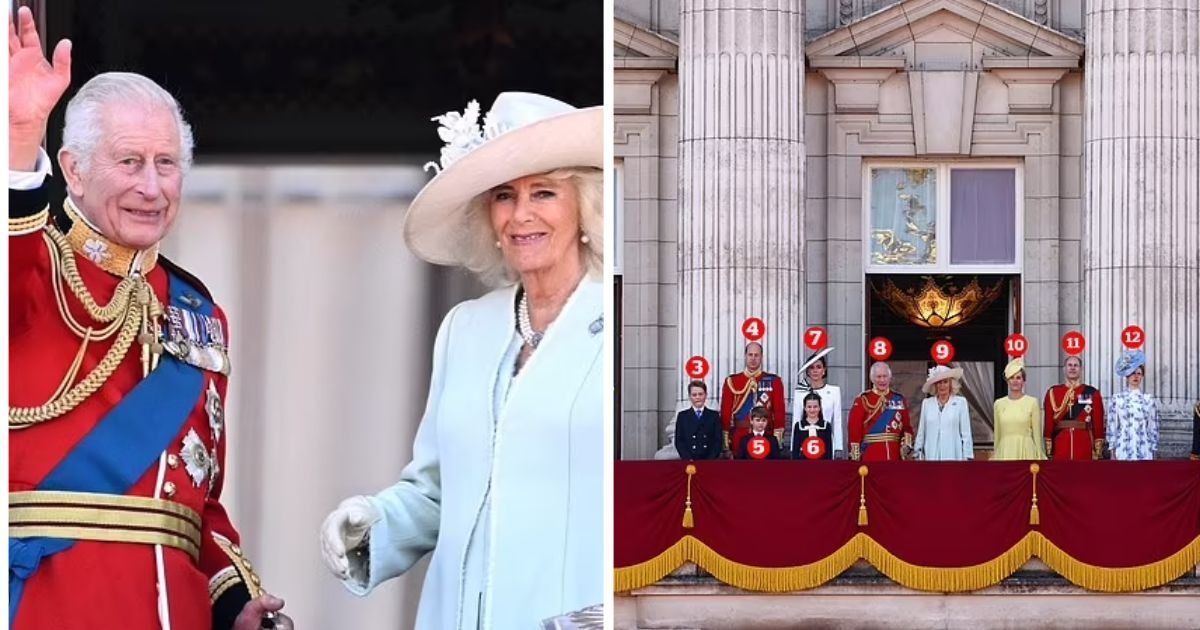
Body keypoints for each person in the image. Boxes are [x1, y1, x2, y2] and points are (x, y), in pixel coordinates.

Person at [7, 9, 290, 630]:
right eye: (129, 162)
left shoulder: (198, 311)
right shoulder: (32, 267)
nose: (152, 186)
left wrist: (236, 605)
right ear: (74, 170)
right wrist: (20, 138)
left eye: (167, 164)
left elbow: (194, 507)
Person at [319, 92, 603, 629]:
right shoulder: (466, 329)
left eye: (543, 193)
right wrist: (372, 523)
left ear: (583, 207)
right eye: (503, 196)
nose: (521, 215)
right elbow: (435, 492)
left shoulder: (617, 321)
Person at [720, 342, 786, 456]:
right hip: (739, 437)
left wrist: (777, 438)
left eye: (757, 355)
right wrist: (726, 440)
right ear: (745, 356)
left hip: (766, 435)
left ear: (761, 357)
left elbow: (779, 412)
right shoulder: (732, 381)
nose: (753, 358)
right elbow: (726, 412)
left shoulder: (774, 381)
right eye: (750, 355)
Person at [848, 362, 914, 461]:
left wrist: (906, 446)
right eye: (878, 377)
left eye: (885, 376)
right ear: (872, 379)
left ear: (889, 378)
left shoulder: (899, 399)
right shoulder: (863, 400)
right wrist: (856, 456)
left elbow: (907, 427)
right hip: (871, 454)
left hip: (894, 454)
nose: (882, 380)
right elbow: (854, 429)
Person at [1043, 355, 1106, 460]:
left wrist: (1098, 448)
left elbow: (1098, 421)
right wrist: (1049, 448)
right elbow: (1049, 421)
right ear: (1064, 369)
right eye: (1070, 365)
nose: (1072, 368)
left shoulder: (1092, 392)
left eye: (1076, 365)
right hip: (1061, 442)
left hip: (1084, 443)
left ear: (1081, 369)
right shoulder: (1053, 392)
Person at [1107, 350, 1160, 461]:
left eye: (1139, 373)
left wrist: (1154, 450)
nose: (1135, 376)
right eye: (1132, 373)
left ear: (1142, 376)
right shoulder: (1117, 399)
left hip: (1144, 449)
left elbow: (1153, 427)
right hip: (1122, 448)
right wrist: (1112, 451)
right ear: (1127, 375)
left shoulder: (1148, 399)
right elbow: (1112, 426)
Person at [914, 365, 974, 461]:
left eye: (945, 382)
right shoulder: (927, 404)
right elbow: (921, 432)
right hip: (931, 456)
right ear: (935, 385)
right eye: (939, 383)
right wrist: (917, 453)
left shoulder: (960, 403)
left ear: (951, 384)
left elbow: (966, 433)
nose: (942, 386)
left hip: (953, 455)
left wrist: (967, 457)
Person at [792, 347, 844, 458]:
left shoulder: (834, 391)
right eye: (812, 367)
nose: (815, 370)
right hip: (804, 444)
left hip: (826, 442)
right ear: (807, 371)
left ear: (824, 370)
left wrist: (838, 448)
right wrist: (793, 449)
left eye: (819, 367)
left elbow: (837, 421)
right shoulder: (800, 392)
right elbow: (796, 420)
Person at [991, 358, 1045, 460]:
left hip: (1026, 452)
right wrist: (996, 456)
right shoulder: (998, 404)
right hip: (1005, 451)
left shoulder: (1032, 402)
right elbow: (997, 435)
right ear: (1007, 381)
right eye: (1011, 378)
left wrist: (1039, 456)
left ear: (1023, 381)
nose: (1015, 381)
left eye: (1018, 378)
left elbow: (1037, 435)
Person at [674, 380, 723, 460]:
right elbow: (679, 441)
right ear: (689, 396)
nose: (698, 397)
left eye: (700, 394)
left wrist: (711, 458)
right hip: (689, 461)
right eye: (694, 395)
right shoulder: (683, 416)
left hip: (709, 460)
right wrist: (688, 458)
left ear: (706, 395)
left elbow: (717, 440)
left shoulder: (714, 415)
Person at [791, 392, 835, 460]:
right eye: (809, 407)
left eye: (815, 407)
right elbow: (795, 450)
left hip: (821, 465)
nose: (812, 410)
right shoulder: (799, 426)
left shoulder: (826, 426)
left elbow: (829, 450)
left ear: (820, 408)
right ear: (805, 408)